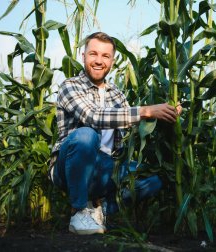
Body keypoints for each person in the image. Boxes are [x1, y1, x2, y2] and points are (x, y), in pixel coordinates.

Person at [48, 32, 182, 235]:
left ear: (112, 61)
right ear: (83, 55)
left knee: (153, 179)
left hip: (106, 168)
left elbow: (131, 126)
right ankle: (78, 212)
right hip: (69, 168)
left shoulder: (117, 94)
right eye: (93, 54)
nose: (99, 61)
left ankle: (100, 211)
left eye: (105, 56)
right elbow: (93, 117)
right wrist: (147, 110)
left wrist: (166, 113)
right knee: (87, 136)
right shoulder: (70, 86)